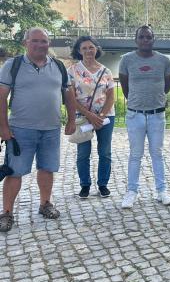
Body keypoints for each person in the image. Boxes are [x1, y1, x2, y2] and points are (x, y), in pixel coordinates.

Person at [0, 28, 76, 233]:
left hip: (51, 130)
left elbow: (68, 95)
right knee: (15, 172)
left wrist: (71, 119)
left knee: (47, 168)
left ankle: (45, 204)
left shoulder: (59, 66)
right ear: (26, 43)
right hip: (20, 130)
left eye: (44, 41)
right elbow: (1, 97)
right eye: (35, 41)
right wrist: (3, 127)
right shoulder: (12, 65)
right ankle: (6, 212)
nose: (40, 45)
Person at [118, 25, 170, 209]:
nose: (145, 40)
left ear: (153, 39)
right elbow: (126, 88)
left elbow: (167, 86)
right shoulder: (126, 60)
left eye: (148, 37)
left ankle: (162, 190)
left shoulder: (164, 60)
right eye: (141, 37)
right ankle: (131, 191)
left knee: (157, 153)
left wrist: (153, 99)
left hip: (157, 115)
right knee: (135, 155)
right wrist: (138, 100)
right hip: (135, 115)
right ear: (136, 40)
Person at [68, 36, 115, 199]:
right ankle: (85, 185)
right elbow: (71, 98)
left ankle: (103, 184)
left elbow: (110, 96)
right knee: (83, 153)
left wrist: (100, 116)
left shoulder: (106, 71)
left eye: (91, 47)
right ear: (79, 51)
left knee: (105, 152)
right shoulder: (73, 70)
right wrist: (90, 115)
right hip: (82, 116)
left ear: (96, 49)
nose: (88, 51)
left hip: (105, 117)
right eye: (84, 48)